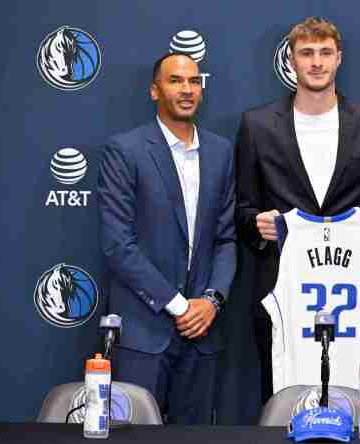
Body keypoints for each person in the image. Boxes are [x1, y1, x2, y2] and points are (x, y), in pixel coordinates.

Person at [235, 16, 360, 403]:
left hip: (355, 296)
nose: (316, 62)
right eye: (306, 53)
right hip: (285, 292)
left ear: (339, 58)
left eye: (325, 53)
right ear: (290, 60)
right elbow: (241, 208)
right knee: (285, 402)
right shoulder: (256, 125)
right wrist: (256, 226)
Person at [97, 53, 236, 424]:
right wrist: (178, 305)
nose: (187, 89)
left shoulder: (221, 152)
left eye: (194, 81)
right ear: (155, 90)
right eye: (175, 81)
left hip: (203, 333)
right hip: (145, 334)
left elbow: (226, 240)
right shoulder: (125, 151)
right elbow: (118, 244)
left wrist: (211, 302)